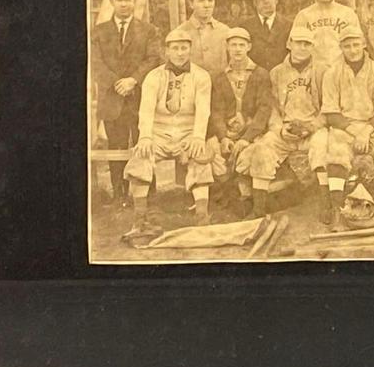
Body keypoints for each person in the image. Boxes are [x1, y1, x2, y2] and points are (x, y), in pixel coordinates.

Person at [122, 28, 216, 240]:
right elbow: (146, 109)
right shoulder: (153, 76)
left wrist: (198, 136)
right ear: (167, 51)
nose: (180, 53)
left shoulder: (201, 76)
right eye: (175, 48)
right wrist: (145, 136)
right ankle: (140, 219)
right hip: (159, 132)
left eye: (184, 48)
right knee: (141, 154)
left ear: (190, 49)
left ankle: (202, 218)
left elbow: (203, 110)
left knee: (200, 156)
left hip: (187, 133)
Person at [237, 27, 330, 218]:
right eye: (298, 43)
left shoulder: (323, 71)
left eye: (307, 44)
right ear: (289, 44)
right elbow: (272, 108)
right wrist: (279, 130)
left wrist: (312, 127)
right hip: (285, 130)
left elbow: (329, 108)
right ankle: (259, 210)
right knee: (262, 148)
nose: (302, 48)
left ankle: (326, 205)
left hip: (312, 128)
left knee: (322, 146)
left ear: (313, 46)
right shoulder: (277, 73)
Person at [320, 27, 374, 229]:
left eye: (356, 44)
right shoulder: (332, 73)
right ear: (341, 47)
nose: (353, 49)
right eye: (347, 46)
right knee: (336, 154)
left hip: (373, 126)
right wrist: (354, 131)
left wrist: (366, 131)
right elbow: (331, 113)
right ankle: (338, 211)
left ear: (364, 44)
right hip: (344, 127)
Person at [90, 0, 162, 207]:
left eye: (129, 0)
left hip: (140, 97)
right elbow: (95, 62)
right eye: (120, 0)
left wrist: (133, 80)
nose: (125, 4)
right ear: (112, 1)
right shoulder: (98, 32)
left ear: (134, 2)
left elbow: (153, 59)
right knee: (116, 144)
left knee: (144, 141)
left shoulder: (148, 30)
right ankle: (119, 194)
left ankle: (147, 192)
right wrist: (116, 83)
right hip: (112, 98)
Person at [208, 26, 272, 199]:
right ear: (227, 47)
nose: (237, 49)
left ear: (249, 47)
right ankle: (226, 188)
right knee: (210, 151)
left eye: (241, 45)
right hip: (229, 132)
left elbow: (263, 110)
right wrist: (223, 137)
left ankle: (248, 191)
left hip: (252, 132)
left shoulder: (261, 74)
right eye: (233, 45)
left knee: (254, 153)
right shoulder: (219, 77)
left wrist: (246, 138)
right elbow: (216, 111)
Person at [290, 0, 362, 69]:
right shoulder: (303, 16)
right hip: (312, 72)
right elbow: (294, 50)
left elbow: (358, 47)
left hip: (342, 71)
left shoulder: (348, 14)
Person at [175, 0, 231, 74]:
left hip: (220, 87)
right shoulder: (180, 32)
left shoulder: (225, 31)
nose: (206, 5)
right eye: (201, 0)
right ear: (191, 4)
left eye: (210, 0)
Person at [239, 0, 291, 71]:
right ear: (255, 3)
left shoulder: (289, 25)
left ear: (276, 0)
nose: (266, 1)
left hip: (282, 76)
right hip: (255, 78)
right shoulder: (245, 27)